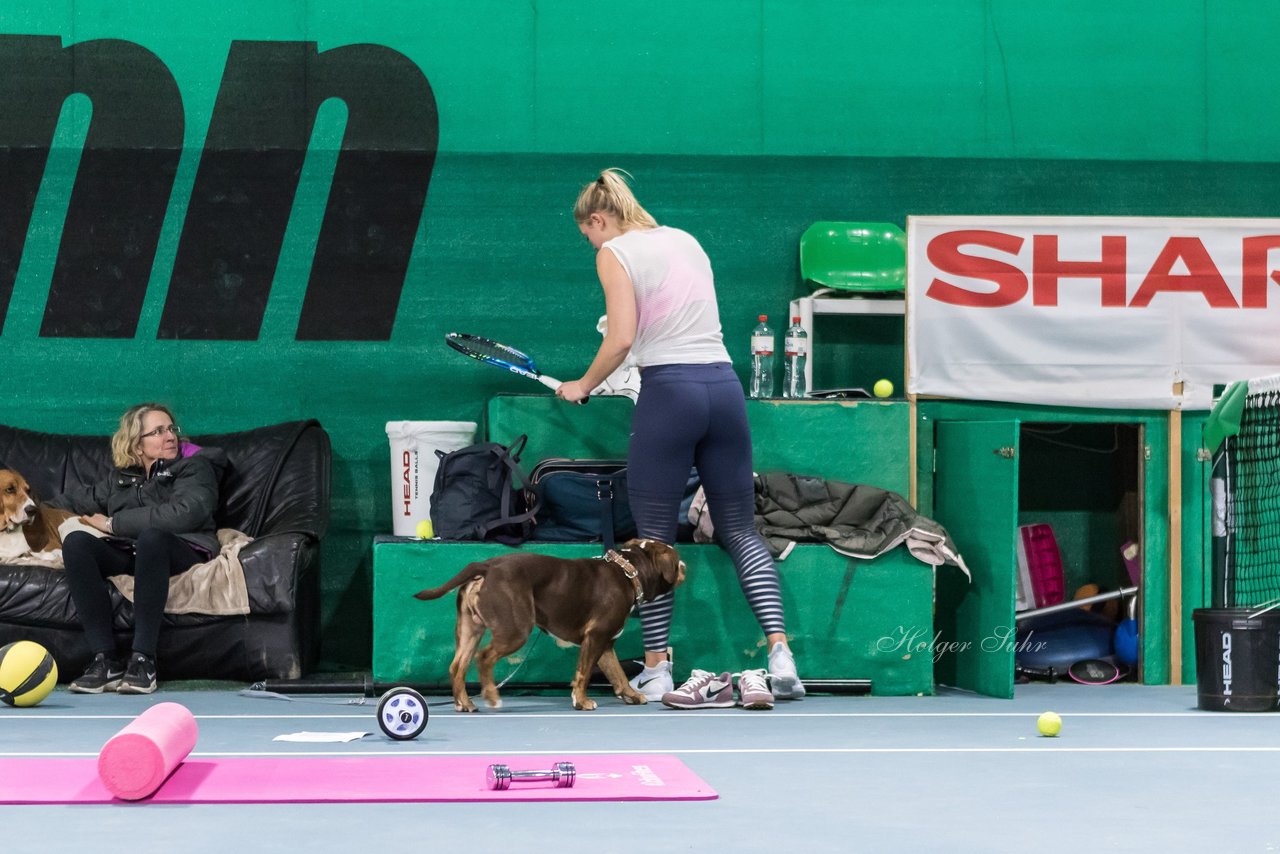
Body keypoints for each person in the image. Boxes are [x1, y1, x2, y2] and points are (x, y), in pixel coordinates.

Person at [557, 169, 804, 709]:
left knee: (652, 542)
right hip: (724, 390)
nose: (591, 246)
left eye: (588, 235)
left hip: (671, 394)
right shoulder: (685, 240)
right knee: (740, 530)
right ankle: (781, 656)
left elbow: (622, 339)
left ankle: (657, 670)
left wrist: (582, 384)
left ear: (599, 219)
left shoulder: (614, 252)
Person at [52, 403, 226, 694]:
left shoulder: (194, 467)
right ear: (137, 445)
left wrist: (112, 524)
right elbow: (65, 503)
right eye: (158, 431)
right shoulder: (120, 480)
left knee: (152, 538)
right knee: (77, 543)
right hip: (133, 552)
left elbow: (185, 513)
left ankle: (144, 660)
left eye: (171, 429)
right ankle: (105, 659)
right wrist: (24, 518)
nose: (170, 436)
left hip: (182, 548)